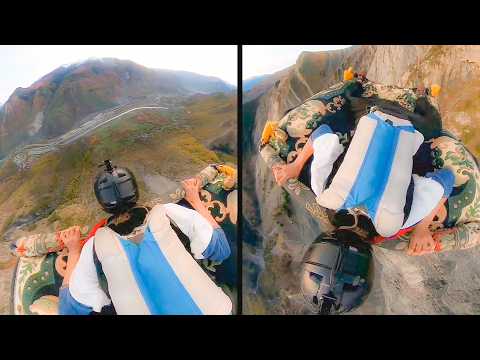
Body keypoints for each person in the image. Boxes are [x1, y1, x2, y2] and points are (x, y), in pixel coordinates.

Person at [272, 104, 479, 257]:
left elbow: (446, 179)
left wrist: (422, 228)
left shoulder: (396, 223)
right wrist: (296, 166)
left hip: (417, 128)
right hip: (375, 112)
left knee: (417, 167)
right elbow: (322, 132)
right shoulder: (325, 193)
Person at [58, 161, 231, 315]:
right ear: (136, 192)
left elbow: (68, 308)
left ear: (103, 206)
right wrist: (195, 201)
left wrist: (74, 251)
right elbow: (221, 249)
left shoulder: (94, 245)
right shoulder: (167, 212)